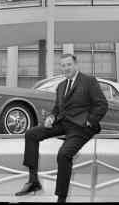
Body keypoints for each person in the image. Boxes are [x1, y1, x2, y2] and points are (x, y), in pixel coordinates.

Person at [15, 54, 108, 203]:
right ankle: (33, 181)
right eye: (63, 66)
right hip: (63, 123)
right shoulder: (61, 86)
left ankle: (61, 198)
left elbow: (102, 104)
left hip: (81, 127)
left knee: (63, 155)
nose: (66, 68)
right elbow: (57, 108)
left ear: (76, 65)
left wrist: (90, 121)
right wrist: (51, 117)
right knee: (31, 134)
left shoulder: (88, 81)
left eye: (68, 65)